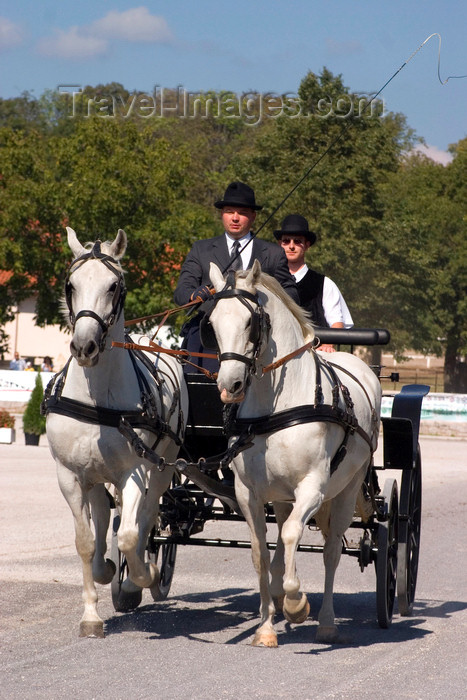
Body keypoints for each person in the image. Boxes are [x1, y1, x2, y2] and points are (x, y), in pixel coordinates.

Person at [174, 181, 299, 370]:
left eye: (241, 213)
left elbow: (292, 295)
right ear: (222, 214)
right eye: (229, 211)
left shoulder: (273, 254)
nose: (235, 218)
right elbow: (181, 292)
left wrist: (264, 296)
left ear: (253, 216)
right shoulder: (201, 250)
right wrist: (194, 295)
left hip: (257, 342)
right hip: (209, 339)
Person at [274, 214, 353, 352]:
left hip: (315, 357)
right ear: (280, 244)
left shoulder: (324, 284)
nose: (291, 246)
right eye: (286, 241)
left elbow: (337, 323)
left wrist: (329, 343)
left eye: (297, 241)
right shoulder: (271, 283)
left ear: (307, 245)